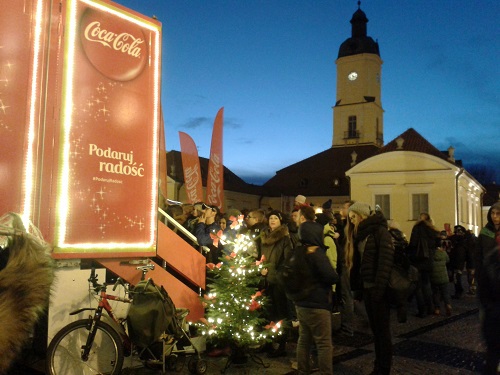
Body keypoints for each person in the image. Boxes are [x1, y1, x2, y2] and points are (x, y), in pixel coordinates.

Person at [346, 202, 394, 375]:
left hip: (379, 290)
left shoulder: (379, 232)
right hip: (368, 289)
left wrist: (378, 291)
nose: (351, 222)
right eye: (349, 219)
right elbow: (359, 266)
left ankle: (384, 369)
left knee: (383, 332)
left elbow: (385, 262)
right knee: (376, 331)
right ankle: (378, 366)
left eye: (353, 217)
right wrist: (358, 289)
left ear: (362, 215)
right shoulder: (360, 235)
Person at [294, 220, 338, 375]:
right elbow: (331, 276)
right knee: (324, 343)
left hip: (301, 303)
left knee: (304, 339)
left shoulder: (298, 251)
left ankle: (302, 370)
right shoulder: (317, 253)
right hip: (318, 303)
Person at [259, 210, 293, 357]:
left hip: (278, 281)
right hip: (266, 280)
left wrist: (275, 274)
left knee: (280, 313)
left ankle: (281, 344)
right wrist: (261, 268)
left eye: (275, 218)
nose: (272, 220)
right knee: (267, 313)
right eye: (270, 218)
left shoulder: (285, 238)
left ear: (280, 221)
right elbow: (261, 257)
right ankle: (267, 342)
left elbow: (288, 260)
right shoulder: (263, 236)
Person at [475, 201, 500, 374]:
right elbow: (478, 255)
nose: (495, 216)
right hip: (488, 280)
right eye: (492, 213)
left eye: (498, 213)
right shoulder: (485, 232)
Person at [408, 213, 439, 318]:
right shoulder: (432, 229)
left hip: (419, 260)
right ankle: (430, 307)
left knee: (418, 287)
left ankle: (422, 310)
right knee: (427, 285)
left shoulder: (417, 228)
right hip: (429, 261)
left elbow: (413, 244)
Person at [337, 200, 355, 337]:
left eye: (344, 207)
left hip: (347, 263)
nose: (341, 209)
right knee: (348, 295)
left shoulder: (349, 227)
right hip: (347, 262)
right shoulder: (345, 225)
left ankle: (347, 328)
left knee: (346, 295)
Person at [430, 244, 452, 316]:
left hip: (434, 277)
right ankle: (448, 305)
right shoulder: (443, 253)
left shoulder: (431, 254)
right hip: (444, 277)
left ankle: (437, 309)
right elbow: (448, 260)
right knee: (445, 293)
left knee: (436, 293)